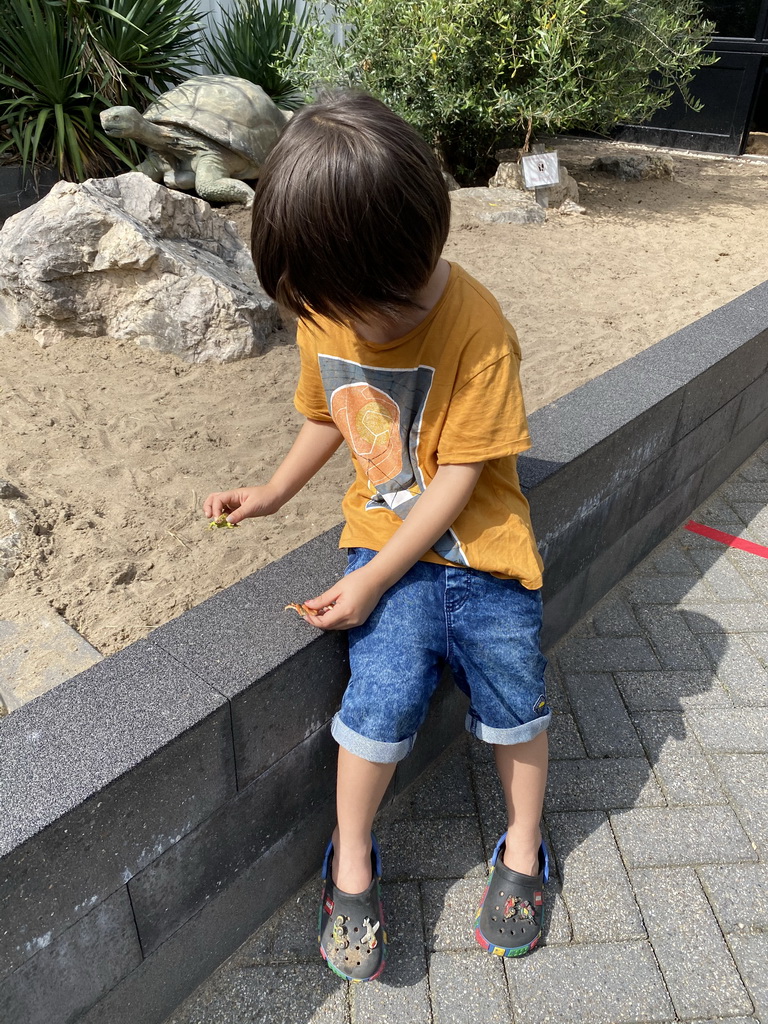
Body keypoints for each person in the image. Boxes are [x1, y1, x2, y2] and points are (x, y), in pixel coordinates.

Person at [204, 91, 550, 982]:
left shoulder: (478, 330)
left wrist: (368, 582)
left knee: (516, 695)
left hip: (478, 551)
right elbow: (334, 411)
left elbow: (463, 481)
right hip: (385, 547)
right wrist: (276, 490)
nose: (351, 329)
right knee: (380, 697)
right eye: (329, 310)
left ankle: (523, 848)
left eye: (372, 310)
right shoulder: (330, 306)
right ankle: (350, 859)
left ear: (421, 251)